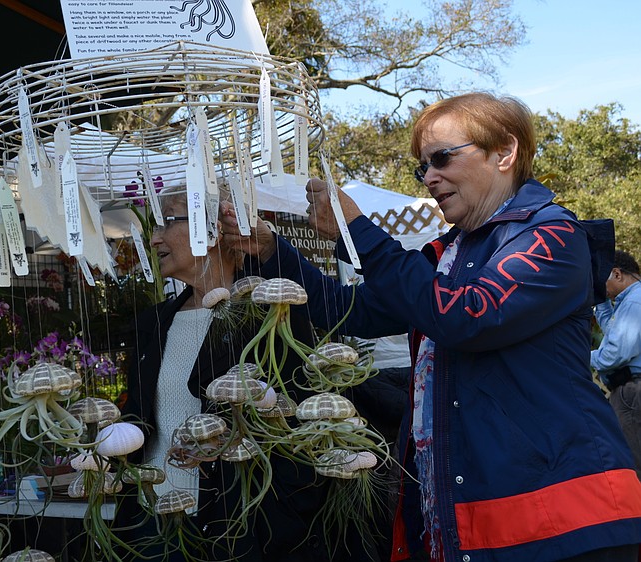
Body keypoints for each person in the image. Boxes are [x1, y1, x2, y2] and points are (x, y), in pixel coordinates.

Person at [222, 92, 641, 561]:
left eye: (441, 158)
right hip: (476, 519)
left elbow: (466, 316)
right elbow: (343, 309)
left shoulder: (553, 235)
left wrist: (357, 232)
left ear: (505, 152)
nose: (430, 177)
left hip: (564, 519)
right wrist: (269, 250)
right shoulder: (448, 254)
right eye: (422, 167)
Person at [118, 186, 371, 561]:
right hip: (152, 523)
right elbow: (141, 414)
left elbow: (300, 420)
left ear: (215, 228)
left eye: (168, 221)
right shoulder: (153, 324)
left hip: (236, 529)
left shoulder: (273, 317)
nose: (154, 237)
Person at [591, 249, 641, 479]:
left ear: (617, 274)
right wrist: (601, 301)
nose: (603, 289)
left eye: (603, 282)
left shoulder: (633, 302)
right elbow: (614, 335)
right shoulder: (628, 302)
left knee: (633, 461)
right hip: (630, 391)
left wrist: (575, 356)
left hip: (632, 393)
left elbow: (613, 355)